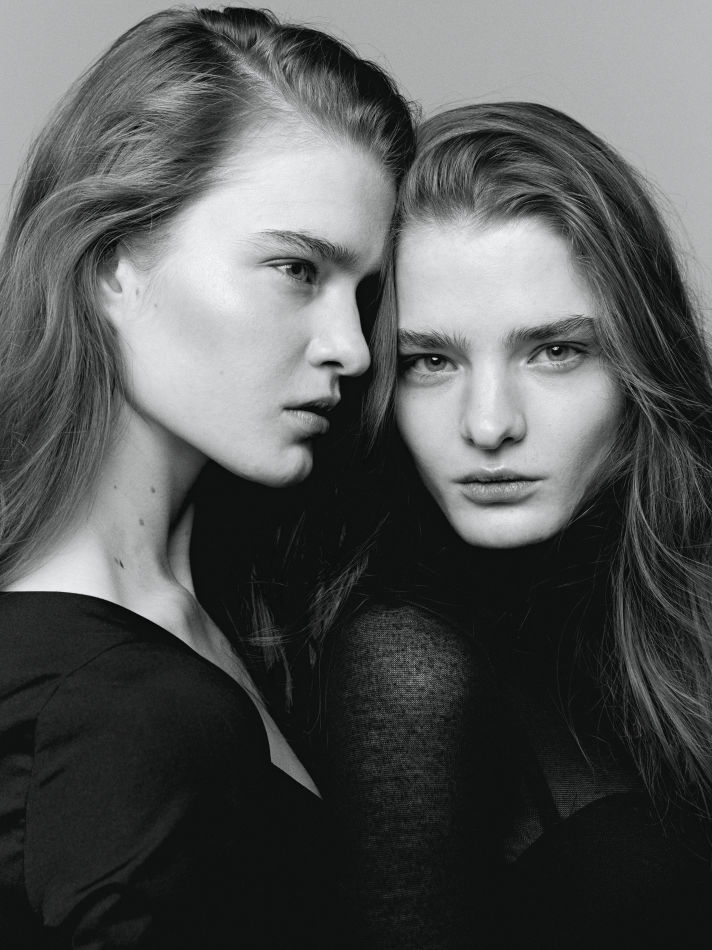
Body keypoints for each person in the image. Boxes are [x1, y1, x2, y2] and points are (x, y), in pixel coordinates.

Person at [0, 7, 414, 947]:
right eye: (296, 268)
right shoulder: (109, 705)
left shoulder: (249, 604)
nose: (352, 348)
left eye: (364, 293)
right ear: (114, 264)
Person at [314, 103, 712, 947]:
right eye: (430, 361)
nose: (490, 424)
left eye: (555, 351)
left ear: (641, 357)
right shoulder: (405, 669)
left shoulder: (684, 596)